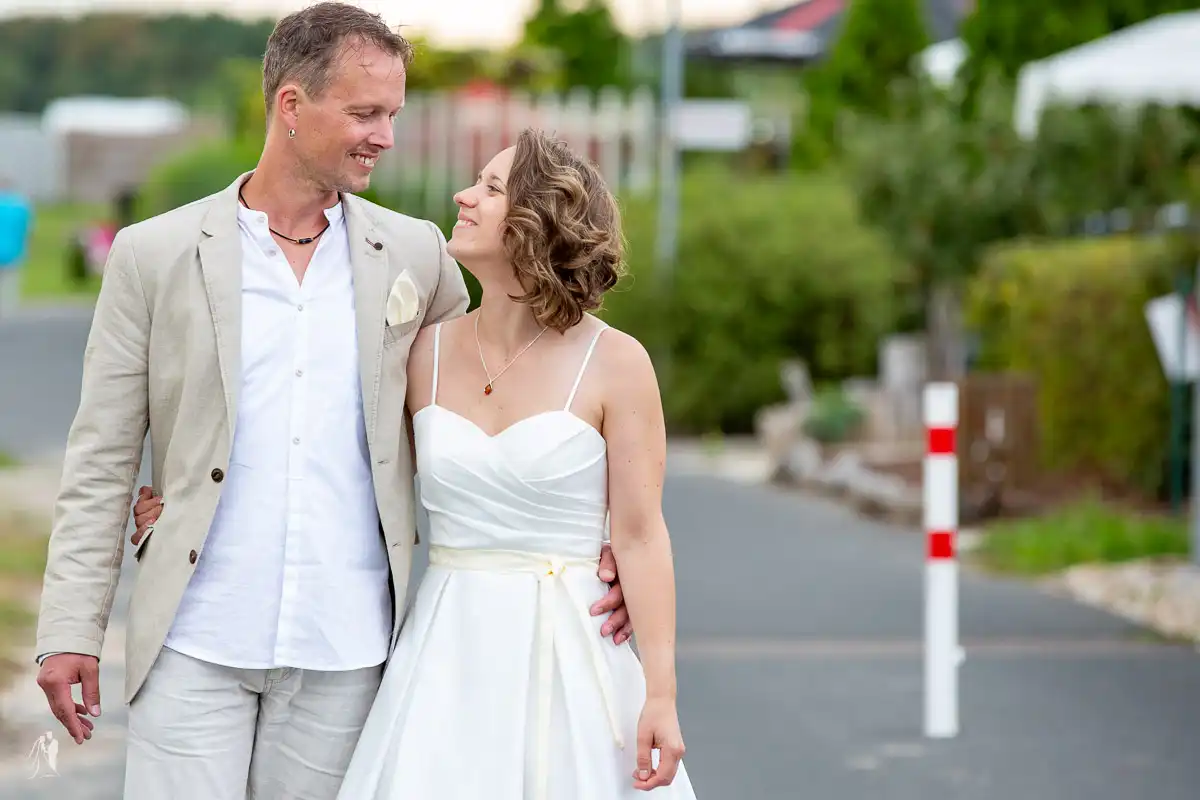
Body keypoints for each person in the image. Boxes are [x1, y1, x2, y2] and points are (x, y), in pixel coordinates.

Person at [33, 4, 631, 799]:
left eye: (392, 114)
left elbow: (512, 382)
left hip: (348, 653)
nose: (385, 135)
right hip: (191, 639)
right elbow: (101, 457)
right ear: (290, 106)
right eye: (364, 113)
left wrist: (601, 532)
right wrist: (70, 630)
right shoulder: (154, 255)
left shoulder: (416, 253)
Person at [135, 129, 697, 798]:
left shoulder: (617, 362)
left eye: (490, 187)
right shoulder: (421, 354)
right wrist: (181, 497)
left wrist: (659, 694)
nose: (463, 196)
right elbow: (321, 445)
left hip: (572, 643)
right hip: (446, 649)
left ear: (539, 220)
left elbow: (640, 533)